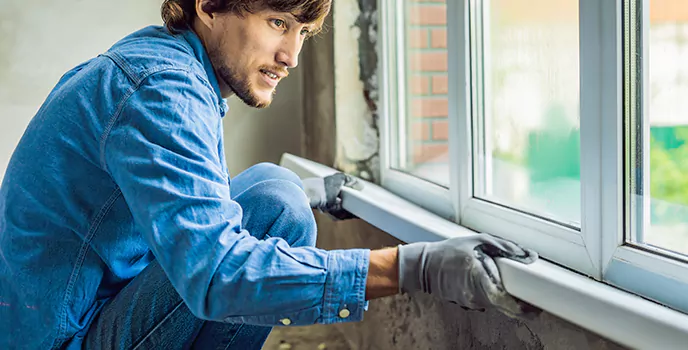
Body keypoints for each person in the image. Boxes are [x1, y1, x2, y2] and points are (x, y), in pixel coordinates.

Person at [0, 0, 537, 349]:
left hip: (67, 315)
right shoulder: (161, 89)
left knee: (276, 194)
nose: (291, 55)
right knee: (273, 213)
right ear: (208, 6)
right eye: (278, 23)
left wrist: (312, 191)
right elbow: (215, 274)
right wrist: (415, 267)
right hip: (63, 341)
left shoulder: (161, 64)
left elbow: (179, 197)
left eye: (303, 31)